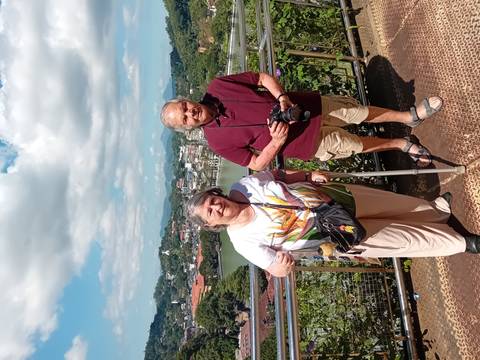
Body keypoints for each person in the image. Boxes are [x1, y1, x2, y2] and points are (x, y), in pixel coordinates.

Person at [186, 170, 479, 277]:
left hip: (334, 199)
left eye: (212, 201)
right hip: (335, 233)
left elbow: (280, 176)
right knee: (399, 239)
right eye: (210, 213)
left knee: (396, 205)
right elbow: (273, 268)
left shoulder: (243, 185)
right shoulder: (242, 241)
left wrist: (309, 174)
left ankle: (436, 211)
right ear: (213, 225)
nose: (216, 207)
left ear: (216, 194)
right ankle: (462, 243)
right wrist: (282, 268)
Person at [161, 72, 442, 170]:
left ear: (186, 99)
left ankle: (409, 116)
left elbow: (260, 78)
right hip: (306, 144)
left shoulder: (219, 86)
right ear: (187, 128)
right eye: (184, 118)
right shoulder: (216, 142)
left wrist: (282, 97)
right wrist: (278, 141)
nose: (189, 112)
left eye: (184, 106)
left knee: (359, 113)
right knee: (357, 144)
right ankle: (400, 144)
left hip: (307, 107)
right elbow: (256, 164)